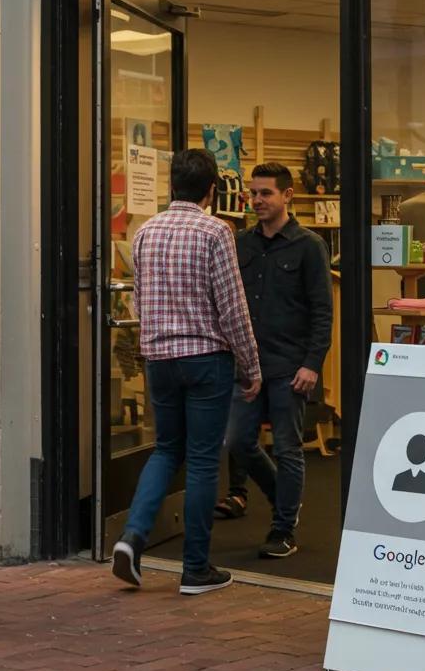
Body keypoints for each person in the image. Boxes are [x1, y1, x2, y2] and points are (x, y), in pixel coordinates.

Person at [112, 149, 261, 596]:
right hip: (205, 359)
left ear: (172, 185)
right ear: (213, 190)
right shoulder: (217, 232)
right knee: (200, 460)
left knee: (164, 451)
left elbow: (138, 301)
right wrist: (251, 365)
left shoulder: (145, 232)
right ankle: (195, 568)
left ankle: (132, 538)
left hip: (159, 360)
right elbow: (232, 307)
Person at [216, 163, 332, 559]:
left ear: (287, 196)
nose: (257, 200)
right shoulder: (241, 244)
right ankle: (284, 497)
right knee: (239, 441)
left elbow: (322, 311)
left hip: (290, 367)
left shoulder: (309, 245)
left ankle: (283, 529)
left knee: (287, 448)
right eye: (253, 193)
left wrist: (312, 363)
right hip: (247, 365)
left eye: (266, 193)